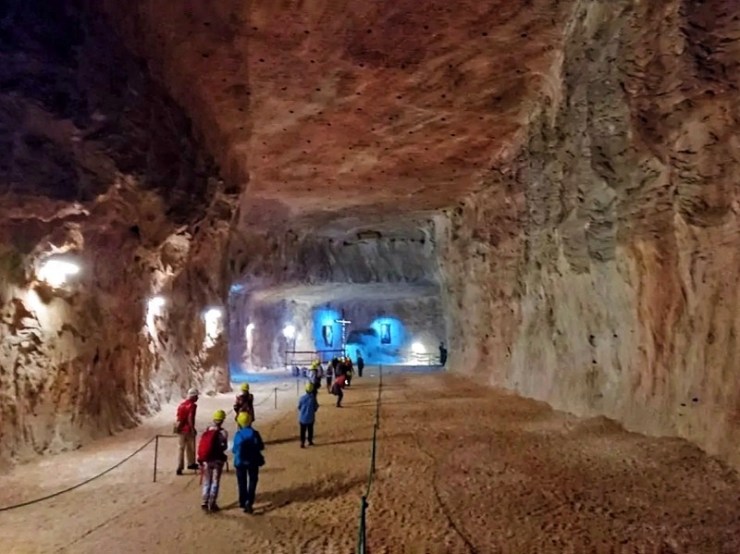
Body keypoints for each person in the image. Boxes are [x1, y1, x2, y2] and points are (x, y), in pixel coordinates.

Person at [232, 411, 265, 514]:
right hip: (253, 461)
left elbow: (234, 450)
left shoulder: (238, 434)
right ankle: (249, 501)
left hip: (240, 462)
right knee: (252, 481)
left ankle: (242, 501)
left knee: (242, 482)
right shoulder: (255, 433)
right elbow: (261, 446)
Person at [198, 409, 229, 512]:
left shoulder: (208, 430)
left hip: (207, 460)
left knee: (207, 481)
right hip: (218, 460)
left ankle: (204, 502)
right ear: (222, 420)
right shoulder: (223, 432)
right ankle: (212, 503)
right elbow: (224, 447)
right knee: (215, 481)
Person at [175, 387, 200, 475]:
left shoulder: (182, 405)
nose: (197, 398)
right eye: (196, 396)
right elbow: (190, 418)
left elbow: (178, 417)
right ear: (193, 396)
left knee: (181, 448)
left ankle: (179, 466)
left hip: (180, 428)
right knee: (190, 447)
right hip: (187, 429)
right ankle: (191, 463)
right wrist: (192, 429)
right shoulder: (192, 406)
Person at [298, 382, 320, 447]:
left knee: (302, 431)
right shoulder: (313, 398)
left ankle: (302, 442)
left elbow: (299, 407)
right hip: (310, 418)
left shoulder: (302, 398)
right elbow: (316, 407)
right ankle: (310, 441)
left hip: (302, 418)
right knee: (310, 430)